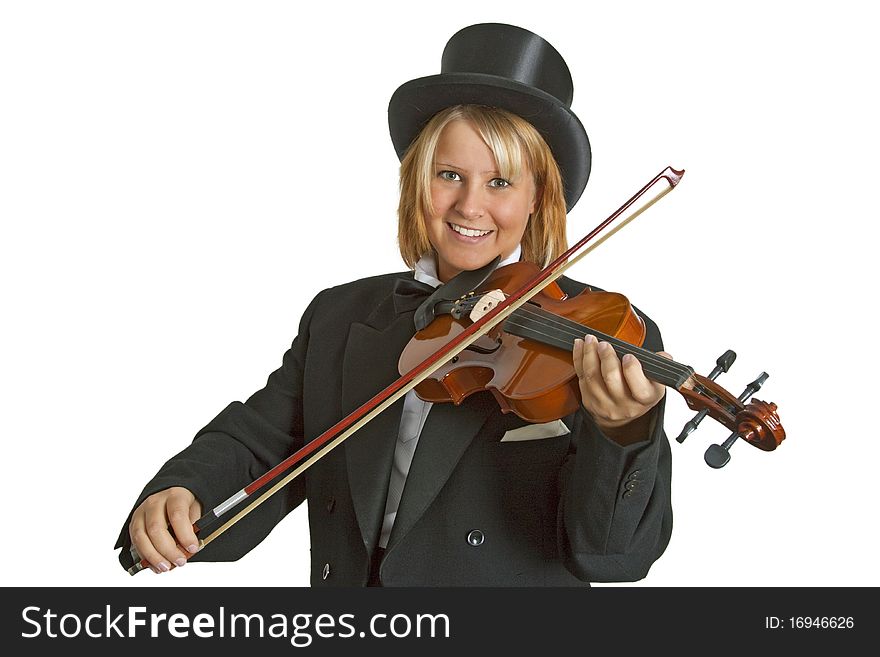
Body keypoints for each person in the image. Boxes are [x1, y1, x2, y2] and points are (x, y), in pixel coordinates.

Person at [115, 22, 673, 586]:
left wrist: (623, 433)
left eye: (500, 182)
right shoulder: (339, 315)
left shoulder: (602, 334)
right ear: (416, 183)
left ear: (537, 199)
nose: (469, 205)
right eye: (449, 175)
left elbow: (614, 555)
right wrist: (183, 488)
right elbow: (262, 441)